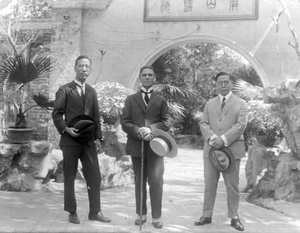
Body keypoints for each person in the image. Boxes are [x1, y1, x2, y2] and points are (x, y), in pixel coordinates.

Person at [52, 55, 111, 224]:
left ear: (89, 70)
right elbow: (57, 114)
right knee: (69, 176)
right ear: (75, 68)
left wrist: (98, 137)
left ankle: (95, 212)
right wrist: (65, 128)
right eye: (81, 66)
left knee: (94, 176)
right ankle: (72, 211)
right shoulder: (65, 90)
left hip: (88, 141)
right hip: (70, 141)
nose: (84, 69)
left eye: (87, 66)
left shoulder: (91, 91)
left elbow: (96, 116)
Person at [195, 72, 248, 231]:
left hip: (232, 149)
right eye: (220, 82)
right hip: (211, 149)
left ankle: (234, 217)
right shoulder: (209, 104)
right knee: (209, 184)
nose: (223, 85)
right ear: (216, 84)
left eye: (226, 82)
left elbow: (241, 125)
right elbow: (203, 123)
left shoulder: (241, 103)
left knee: (232, 185)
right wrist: (212, 138)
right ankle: (206, 214)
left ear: (231, 84)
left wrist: (223, 139)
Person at [121, 65, 170, 229]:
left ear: (154, 78)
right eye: (144, 75)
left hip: (156, 147)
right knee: (139, 182)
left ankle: (157, 217)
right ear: (140, 78)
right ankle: (141, 214)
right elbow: (125, 121)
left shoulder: (161, 100)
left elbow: (167, 122)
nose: (147, 77)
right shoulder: (130, 99)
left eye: (150, 75)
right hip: (137, 146)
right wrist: (138, 131)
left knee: (156, 182)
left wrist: (151, 129)